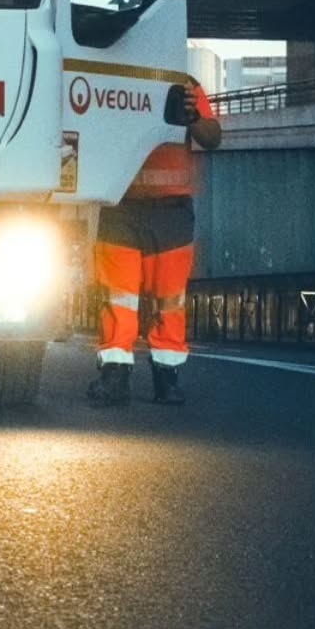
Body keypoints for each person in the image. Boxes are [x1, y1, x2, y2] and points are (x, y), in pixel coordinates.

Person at [87, 79, 222, 406]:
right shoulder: (110, 76)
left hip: (169, 210)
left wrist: (192, 117)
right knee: (118, 298)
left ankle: (166, 377)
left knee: (168, 301)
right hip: (121, 207)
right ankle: (116, 375)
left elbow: (212, 137)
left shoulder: (184, 85)